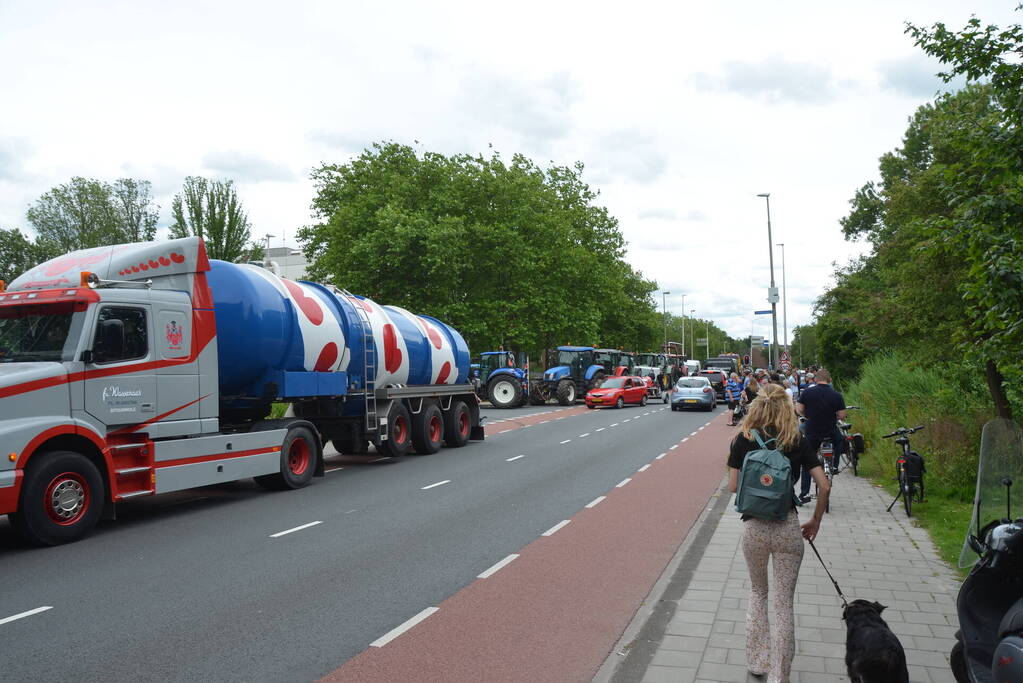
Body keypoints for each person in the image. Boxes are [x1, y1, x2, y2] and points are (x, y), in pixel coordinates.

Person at [728, 384, 830, 682]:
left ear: (756, 407)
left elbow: (733, 487)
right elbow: (824, 485)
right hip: (787, 527)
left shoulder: (742, 439)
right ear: (787, 408)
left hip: (754, 530)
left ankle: (758, 662)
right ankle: (779, 676)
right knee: (783, 603)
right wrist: (815, 521)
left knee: (758, 593)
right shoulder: (796, 439)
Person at [796, 368, 847, 503]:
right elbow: (842, 415)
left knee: (807, 460)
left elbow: (799, 409)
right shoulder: (837, 395)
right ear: (829, 380)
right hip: (830, 429)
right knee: (839, 441)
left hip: (812, 430)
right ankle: (835, 466)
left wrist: (807, 416)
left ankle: (804, 494)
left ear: (816, 379)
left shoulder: (807, 392)